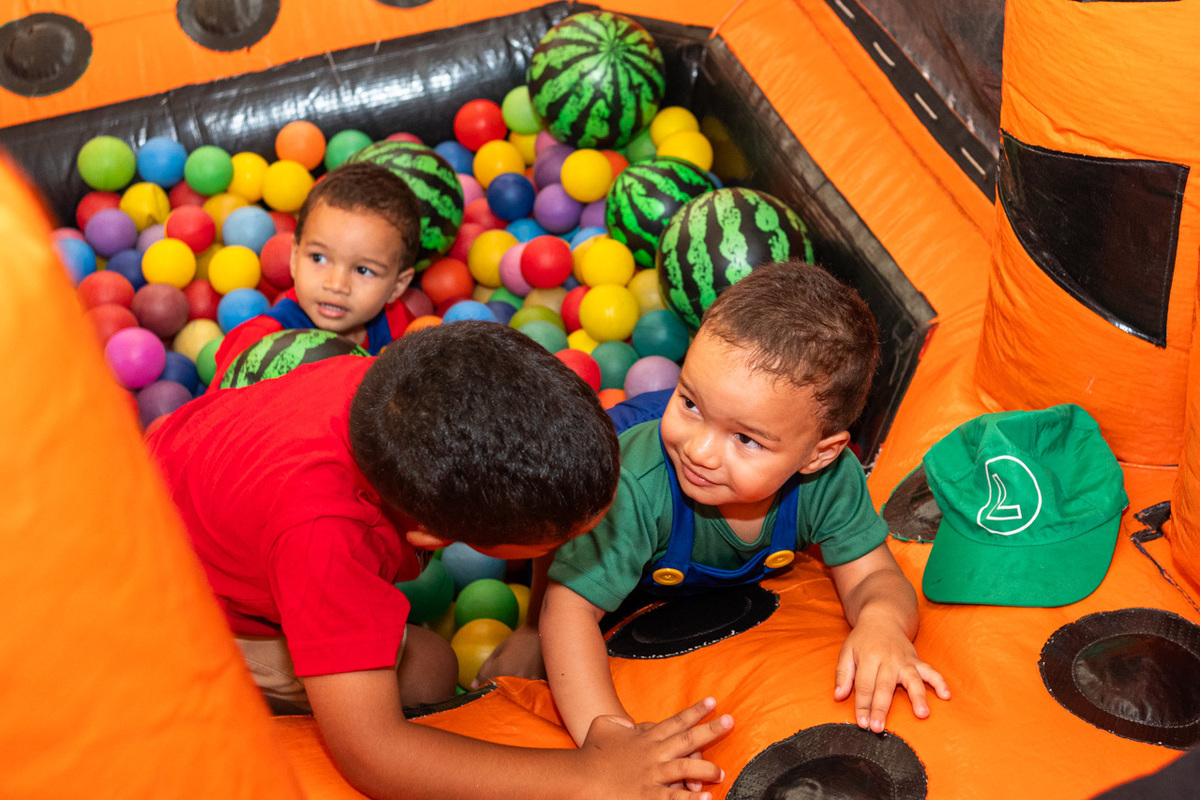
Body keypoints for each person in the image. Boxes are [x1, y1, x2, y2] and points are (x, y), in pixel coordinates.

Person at [148, 321, 733, 800]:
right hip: (162, 598)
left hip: (178, 481)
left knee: (423, 663)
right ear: (430, 537)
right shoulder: (327, 536)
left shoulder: (402, 394)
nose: (593, 535)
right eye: (566, 535)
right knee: (428, 670)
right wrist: (589, 776)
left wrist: (532, 625)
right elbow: (371, 756)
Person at [541, 259, 951, 749]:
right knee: (554, 505)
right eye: (690, 402)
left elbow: (875, 576)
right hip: (607, 484)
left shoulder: (827, 483)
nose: (699, 450)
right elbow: (568, 608)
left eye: (746, 439)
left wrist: (882, 623)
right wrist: (607, 738)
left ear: (818, 454)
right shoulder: (634, 481)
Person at [208, 161, 419, 391]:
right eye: (319, 258)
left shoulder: (396, 325)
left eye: (363, 270)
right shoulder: (259, 345)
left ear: (397, 286)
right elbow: (212, 418)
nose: (336, 285)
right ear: (295, 257)